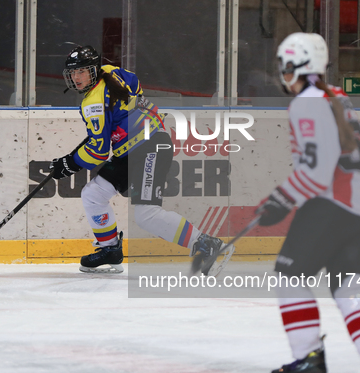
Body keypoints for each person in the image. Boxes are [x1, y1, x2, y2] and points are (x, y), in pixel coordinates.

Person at [256, 33, 360, 373]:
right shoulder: (338, 97)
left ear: (294, 65)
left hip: (332, 206)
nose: (282, 73)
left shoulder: (306, 104)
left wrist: (281, 198)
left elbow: (317, 170)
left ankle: (308, 360)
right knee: (348, 286)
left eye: (284, 65)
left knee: (289, 275)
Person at [50, 45, 231, 274]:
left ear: (93, 70)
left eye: (81, 71)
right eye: (73, 73)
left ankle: (207, 244)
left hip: (150, 147)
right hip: (133, 149)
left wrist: (68, 164)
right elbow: (134, 84)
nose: (76, 78)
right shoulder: (110, 71)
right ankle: (110, 249)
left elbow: (98, 151)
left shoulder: (93, 103)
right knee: (93, 194)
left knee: (147, 215)